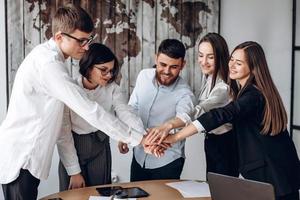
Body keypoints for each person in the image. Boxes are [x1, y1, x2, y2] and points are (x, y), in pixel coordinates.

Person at [0, 4, 149, 200]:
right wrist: (138, 139)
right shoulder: (49, 66)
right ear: (60, 36)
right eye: (81, 41)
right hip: (22, 158)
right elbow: (89, 110)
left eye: (89, 40)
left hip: (28, 158)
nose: (86, 47)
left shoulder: (51, 60)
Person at [163, 41, 300, 200]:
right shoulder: (246, 90)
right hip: (279, 173)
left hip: (275, 176)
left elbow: (220, 115)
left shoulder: (253, 94)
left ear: (254, 67)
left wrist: (175, 137)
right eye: (232, 60)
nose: (232, 65)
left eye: (239, 63)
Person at [58, 43, 146, 191]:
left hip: (101, 147)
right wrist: (74, 171)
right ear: (88, 66)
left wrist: (143, 136)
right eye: (103, 70)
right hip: (74, 147)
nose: (109, 75)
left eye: (111, 71)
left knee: (101, 194)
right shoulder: (71, 89)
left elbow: (126, 113)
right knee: (71, 195)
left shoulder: (113, 89)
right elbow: (63, 132)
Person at [118, 39, 195, 181]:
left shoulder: (185, 93)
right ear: (156, 58)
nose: (166, 71)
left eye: (173, 67)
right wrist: (125, 134)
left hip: (167, 161)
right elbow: (132, 107)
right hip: (139, 156)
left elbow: (185, 117)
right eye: (163, 64)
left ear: (182, 65)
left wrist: (167, 126)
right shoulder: (144, 76)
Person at [195, 33, 238, 177]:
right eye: (201, 55)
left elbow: (201, 110)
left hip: (225, 144)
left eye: (210, 57)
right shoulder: (208, 77)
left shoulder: (223, 87)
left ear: (221, 57)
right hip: (212, 140)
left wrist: (171, 129)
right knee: (212, 187)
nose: (203, 61)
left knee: (223, 191)